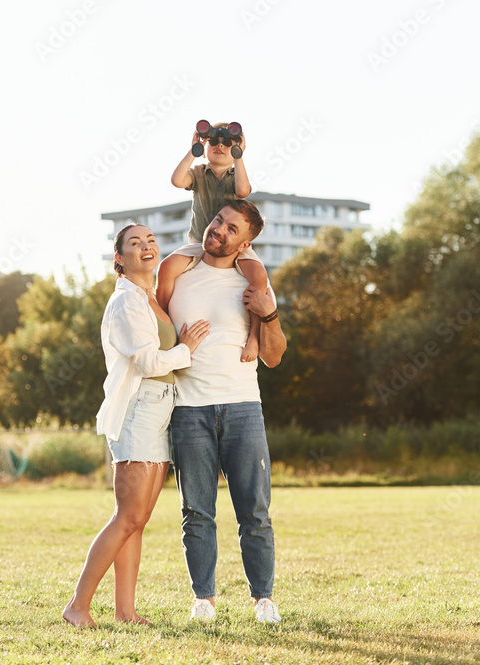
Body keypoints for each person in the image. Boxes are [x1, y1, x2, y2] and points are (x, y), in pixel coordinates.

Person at [63, 224, 211, 628]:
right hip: (139, 408)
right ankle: (77, 605)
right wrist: (186, 349)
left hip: (161, 407)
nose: (146, 246)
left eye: (150, 241)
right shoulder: (126, 301)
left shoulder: (150, 297)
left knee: (137, 520)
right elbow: (147, 362)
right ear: (119, 259)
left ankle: (125, 612)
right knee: (127, 516)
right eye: (134, 243)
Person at [160, 199, 288, 624]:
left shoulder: (251, 281)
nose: (219, 230)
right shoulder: (178, 272)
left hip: (243, 407)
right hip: (188, 408)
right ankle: (204, 599)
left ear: (245, 243)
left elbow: (274, 356)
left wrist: (269, 315)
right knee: (196, 511)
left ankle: (263, 599)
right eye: (218, 221)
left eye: (232, 229)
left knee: (255, 511)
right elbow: (156, 329)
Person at [162, 123, 270, 363]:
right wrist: (194, 149)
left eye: (227, 143)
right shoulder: (198, 173)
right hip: (199, 241)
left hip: (232, 244)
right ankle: (162, 326)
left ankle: (254, 336)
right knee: (167, 267)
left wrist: (239, 156)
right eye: (213, 141)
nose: (220, 145)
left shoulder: (236, 175)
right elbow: (177, 180)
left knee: (259, 276)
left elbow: (243, 191)